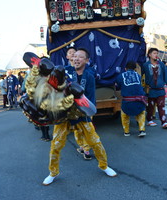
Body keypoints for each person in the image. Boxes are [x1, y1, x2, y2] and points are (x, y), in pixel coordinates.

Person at [43, 48, 117, 186]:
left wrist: (88, 113)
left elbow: (90, 98)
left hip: (81, 114)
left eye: (80, 57)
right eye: (74, 56)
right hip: (63, 115)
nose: (76, 59)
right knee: (56, 145)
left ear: (87, 60)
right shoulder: (64, 72)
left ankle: (104, 166)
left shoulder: (89, 75)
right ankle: (53, 172)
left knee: (95, 141)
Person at [65, 46, 92, 160]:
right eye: (71, 53)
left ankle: (86, 149)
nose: (73, 55)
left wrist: (91, 108)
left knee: (87, 129)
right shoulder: (65, 71)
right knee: (77, 129)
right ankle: (82, 146)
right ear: (67, 57)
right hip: (71, 107)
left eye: (75, 54)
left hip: (85, 106)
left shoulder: (88, 72)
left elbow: (91, 92)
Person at [142, 48, 167, 129]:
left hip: (160, 90)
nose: (156, 55)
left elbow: (166, 74)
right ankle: (149, 120)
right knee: (150, 107)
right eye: (154, 53)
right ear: (149, 55)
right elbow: (140, 76)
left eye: (157, 53)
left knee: (161, 106)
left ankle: (164, 122)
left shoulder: (161, 64)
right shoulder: (145, 65)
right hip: (151, 90)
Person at [115, 61, 147, 137]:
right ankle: (142, 130)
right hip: (139, 100)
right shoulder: (138, 76)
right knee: (141, 113)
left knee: (124, 115)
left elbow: (117, 87)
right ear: (135, 69)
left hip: (127, 101)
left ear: (125, 68)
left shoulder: (121, 76)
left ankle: (126, 132)